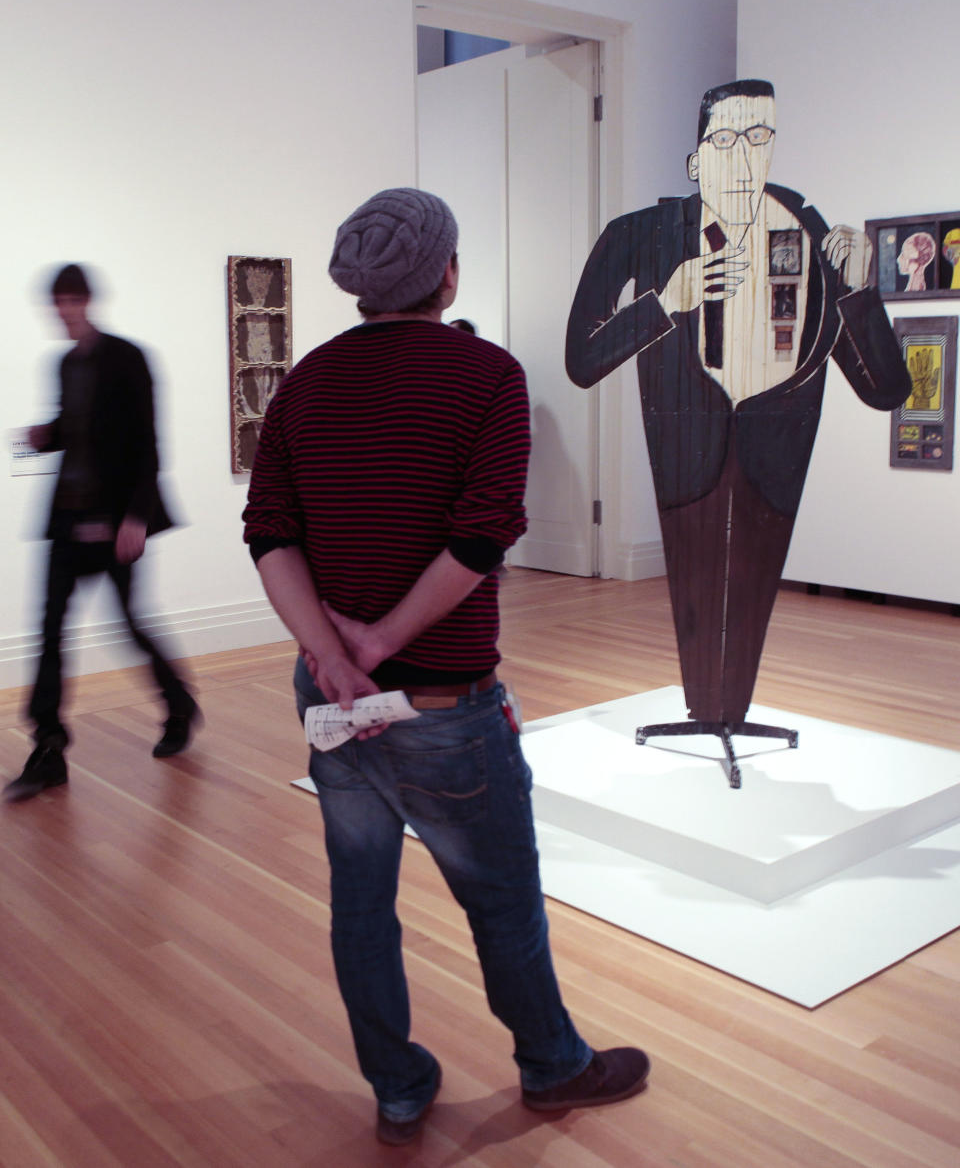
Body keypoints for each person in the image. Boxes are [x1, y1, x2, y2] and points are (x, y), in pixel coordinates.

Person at [242, 188, 649, 1146]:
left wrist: (330, 655)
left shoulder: (302, 384)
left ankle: (396, 1085)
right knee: (502, 899)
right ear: (447, 274)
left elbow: (268, 532)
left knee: (361, 904)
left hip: (334, 704)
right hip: (442, 705)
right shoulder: (490, 376)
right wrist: (375, 648)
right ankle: (552, 1065)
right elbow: (484, 533)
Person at [566, 80, 910, 729]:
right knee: (691, 586)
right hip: (685, 447)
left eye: (758, 138)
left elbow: (884, 389)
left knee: (753, 590)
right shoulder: (640, 235)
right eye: (726, 139)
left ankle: (732, 711)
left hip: (775, 450)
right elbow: (584, 358)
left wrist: (860, 294)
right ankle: (705, 708)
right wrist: (665, 302)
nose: (744, 157)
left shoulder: (811, 236)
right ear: (695, 161)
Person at [3, 265, 199, 803]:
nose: (63, 310)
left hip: (115, 522)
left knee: (130, 624)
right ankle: (48, 746)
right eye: (56, 302)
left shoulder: (127, 358)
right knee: (49, 632)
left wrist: (136, 518)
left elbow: (147, 444)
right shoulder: (64, 364)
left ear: (87, 301)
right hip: (67, 519)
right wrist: (43, 437)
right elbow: (72, 429)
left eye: (70, 300)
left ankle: (179, 705)